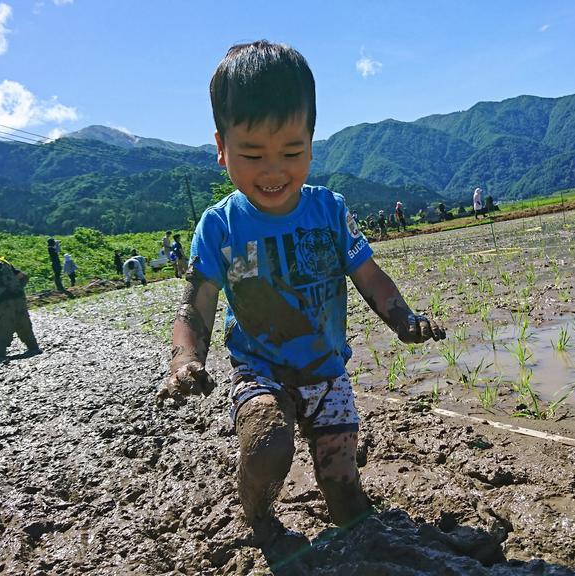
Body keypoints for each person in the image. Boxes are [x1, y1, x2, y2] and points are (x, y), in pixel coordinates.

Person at [156, 41, 446, 548]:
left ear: (312, 143)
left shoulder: (330, 211)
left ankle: (354, 526)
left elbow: (369, 275)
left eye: (291, 152)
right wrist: (186, 360)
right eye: (252, 154)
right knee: (268, 443)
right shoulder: (220, 226)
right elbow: (197, 303)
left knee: (345, 496)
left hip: (326, 371)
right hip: (260, 369)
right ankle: (257, 508)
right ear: (221, 146)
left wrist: (405, 318)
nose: (273, 172)